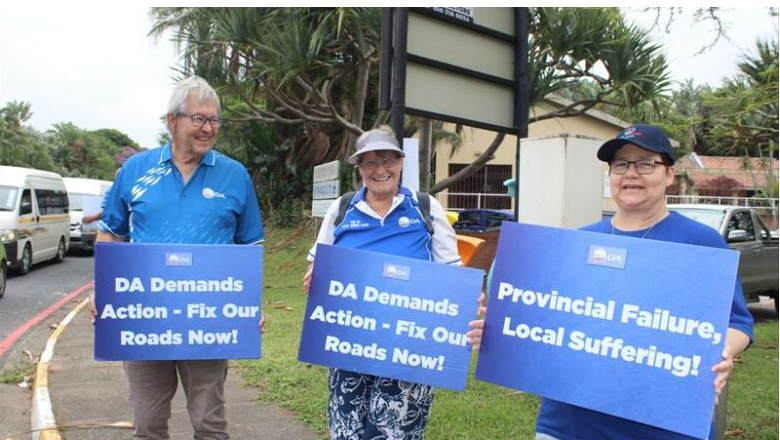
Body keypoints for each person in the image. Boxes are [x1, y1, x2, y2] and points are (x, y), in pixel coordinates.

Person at [467, 123, 754, 440]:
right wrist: (501, 332)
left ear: (669, 174)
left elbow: (738, 321)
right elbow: (548, 319)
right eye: (620, 164)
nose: (631, 173)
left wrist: (720, 352)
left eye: (646, 163)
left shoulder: (701, 242)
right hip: (571, 424)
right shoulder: (580, 242)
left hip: (667, 426)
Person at [91, 76, 265, 440]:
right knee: (148, 423)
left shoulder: (234, 175)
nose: (208, 128)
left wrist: (251, 303)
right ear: (172, 121)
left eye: (214, 120)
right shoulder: (136, 170)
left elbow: (250, 245)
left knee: (209, 423)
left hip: (209, 318)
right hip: (144, 315)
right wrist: (103, 289)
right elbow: (110, 232)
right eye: (199, 119)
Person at [303, 125, 463, 440]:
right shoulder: (343, 208)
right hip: (349, 343)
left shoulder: (425, 208)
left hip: (408, 346)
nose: (381, 170)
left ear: (400, 162)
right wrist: (314, 275)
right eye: (371, 162)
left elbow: (452, 276)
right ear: (359, 168)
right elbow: (318, 264)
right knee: (348, 431)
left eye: (388, 160)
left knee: (394, 433)